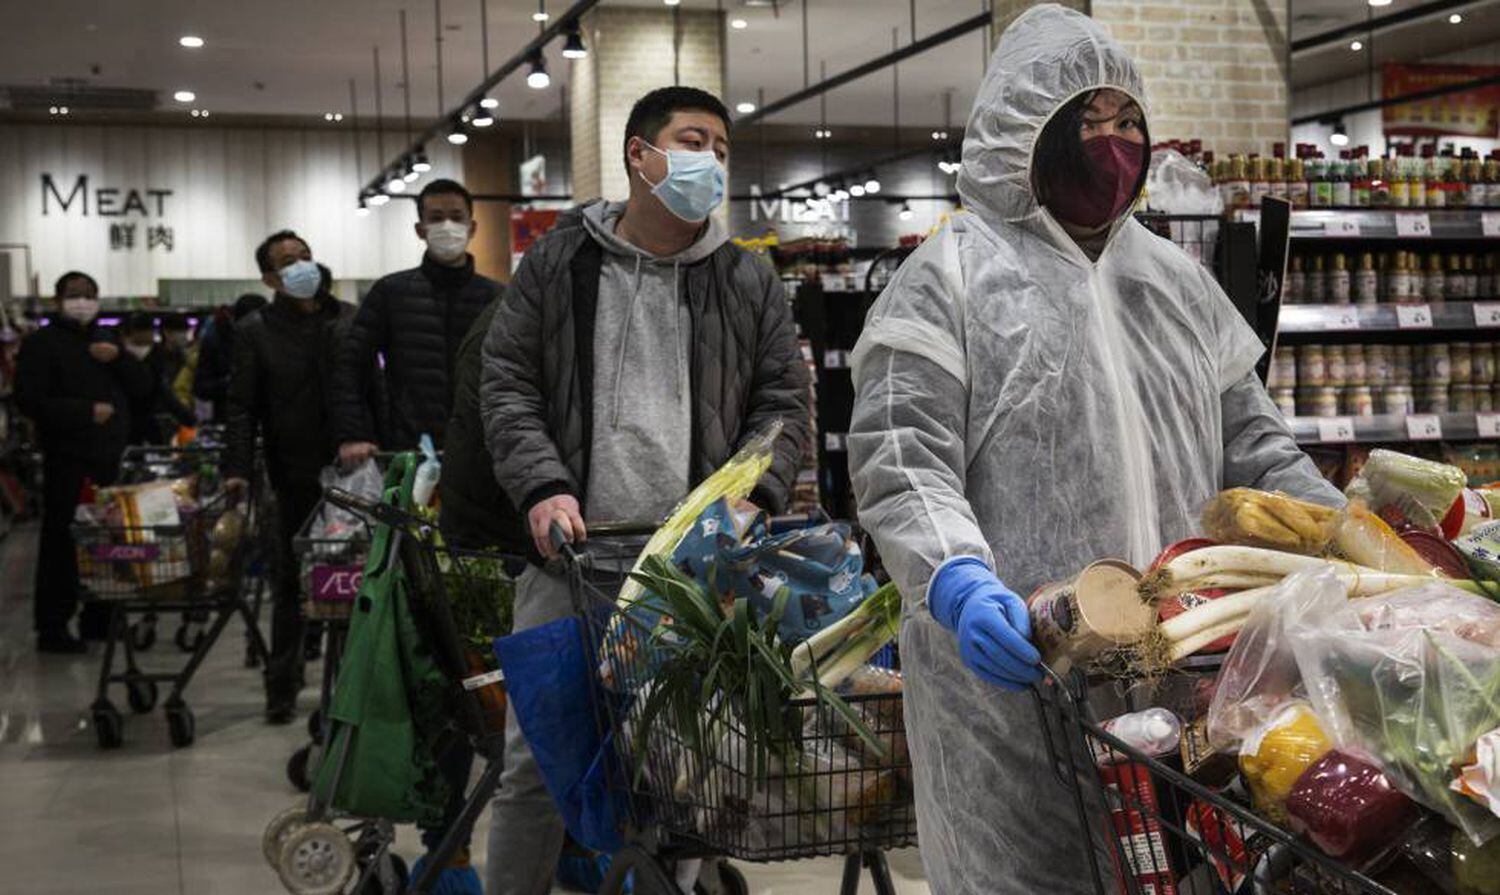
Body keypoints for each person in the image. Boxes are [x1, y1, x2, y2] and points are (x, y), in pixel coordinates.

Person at [845, 7, 1344, 893]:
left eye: (1128, 123)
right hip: (1015, 689)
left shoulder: (1175, 282)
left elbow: (1256, 443)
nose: (1112, 144)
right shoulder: (951, 278)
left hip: (1183, 678)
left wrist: (1338, 538)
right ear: (1021, 134)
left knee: (1183, 875)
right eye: (1087, 122)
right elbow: (903, 456)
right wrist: (957, 578)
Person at [478, 85, 810, 895]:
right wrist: (543, 487)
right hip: (572, 561)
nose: (711, 161)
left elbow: (785, 402)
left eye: (722, 148)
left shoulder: (746, 279)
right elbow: (508, 382)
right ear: (639, 153)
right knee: (538, 765)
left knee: (693, 762)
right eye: (693, 140)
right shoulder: (558, 264)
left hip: (694, 575)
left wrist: (755, 493)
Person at [224, 230, 352, 724]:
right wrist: (237, 468)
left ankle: (352, 684)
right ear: (269, 278)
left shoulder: (346, 320)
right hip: (291, 469)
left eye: (305, 256)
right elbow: (241, 408)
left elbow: (370, 388)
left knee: (350, 577)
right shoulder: (255, 331)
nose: (300, 266)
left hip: (352, 472)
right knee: (290, 581)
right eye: (287, 262)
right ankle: (282, 683)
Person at [15, 271, 152, 652]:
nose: (83, 301)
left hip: (109, 460)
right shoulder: (41, 344)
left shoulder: (106, 340)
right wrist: (84, 412)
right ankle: (53, 626)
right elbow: (29, 400)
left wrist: (120, 358)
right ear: (58, 300)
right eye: (75, 294)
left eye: (90, 294)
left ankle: (100, 618)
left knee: (107, 541)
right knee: (62, 542)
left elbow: (143, 388)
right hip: (67, 459)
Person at [332, 178, 499, 463]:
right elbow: (350, 364)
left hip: (485, 448)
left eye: (457, 217)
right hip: (408, 449)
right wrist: (353, 433)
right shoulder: (390, 293)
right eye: (436, 218)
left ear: (472, 227)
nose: (447, 226)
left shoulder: (498, 298)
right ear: (420, 230)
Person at [118, 312, 195, 444]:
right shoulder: (116, 358)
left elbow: (163, 390)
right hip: (122, 424)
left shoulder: (156, 356)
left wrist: (187, 417)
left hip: (148, 421)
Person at [193, 294, 268, 422]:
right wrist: (233, 382)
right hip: (229, 419)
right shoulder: (215, 342)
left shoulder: (271, 341)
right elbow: (201, 388)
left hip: (267, 420)